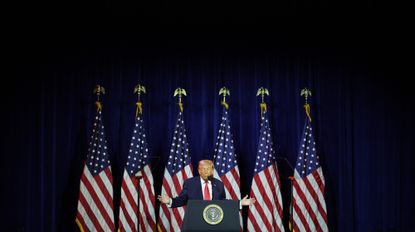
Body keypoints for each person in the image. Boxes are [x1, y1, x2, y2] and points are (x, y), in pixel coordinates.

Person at [158, 159, 256, 207]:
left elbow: (223, 202)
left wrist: (240, 203)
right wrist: (170, 201)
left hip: (214, 221)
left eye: (208, 169)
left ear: (212, 171)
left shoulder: (218, 184)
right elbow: (183, 199)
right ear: (199, 170)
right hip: (196, 222)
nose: (206, 171)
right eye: (203, 169)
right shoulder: (190, 183)